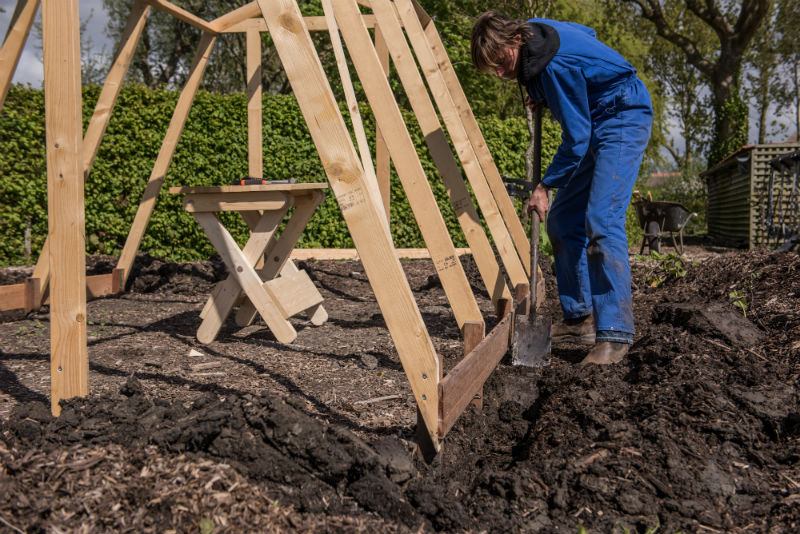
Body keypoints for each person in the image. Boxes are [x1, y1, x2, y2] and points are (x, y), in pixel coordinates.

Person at [471, 12, 653, 365]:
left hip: (622, 114)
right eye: (490, 67)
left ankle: (615, 334)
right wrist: (540, 92)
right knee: (562, 221)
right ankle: (579, 318)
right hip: (595, 114)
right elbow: (589, 31)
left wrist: (546, 185)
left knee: (601, 220)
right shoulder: (538, 31)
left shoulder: (554, 64)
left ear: (516, 41)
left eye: (500, 61)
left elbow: (577, 138)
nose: (498, 72)